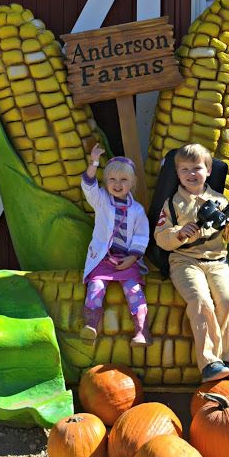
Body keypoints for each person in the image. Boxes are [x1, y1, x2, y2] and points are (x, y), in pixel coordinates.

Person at [154, 143, 229, 383]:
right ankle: (209, 362)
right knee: (200, 300)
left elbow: (228, 236)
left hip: (216, 261)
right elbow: (160, 238)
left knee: (228, 301)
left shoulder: (219, 200)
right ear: (177, 174)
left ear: (208, 170)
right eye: (184, 169)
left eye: (196, 168)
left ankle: (227, 358)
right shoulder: (173, 204)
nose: (191, 174)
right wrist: (178, 233)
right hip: (184, 261)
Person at [80, 143, 152, 347]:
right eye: (112, 179)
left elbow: (141, 235)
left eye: (123, 180)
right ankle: (91, 325)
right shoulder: (101, 200)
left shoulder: (137, 210)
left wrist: (133, 257)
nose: (117, 184)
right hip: (103, 259)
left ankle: (141, 331)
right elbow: (88, 185)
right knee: (96, 288)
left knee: (134, 290)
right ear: (106, 181)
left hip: (126, 261)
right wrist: (94, 161)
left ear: (132, 183)